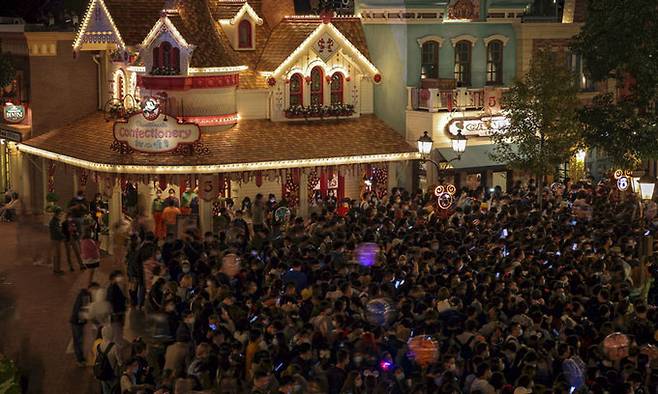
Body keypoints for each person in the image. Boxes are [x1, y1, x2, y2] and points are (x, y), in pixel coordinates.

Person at [70, 283, 97, 366]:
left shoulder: (85, 295)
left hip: (78, 321)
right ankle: (80, 359)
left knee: (78, 340)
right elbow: (82, 310)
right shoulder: (85, 296)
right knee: (78, 341)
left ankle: (80, 358)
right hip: (77, 322)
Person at [49, 208, 66, 275]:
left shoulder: (55, 221)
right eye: (60, 214)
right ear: (57, 214)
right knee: (57, 255)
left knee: (57, 255)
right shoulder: (54, 222)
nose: (61, 215)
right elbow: (57, 231)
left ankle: (57, 269)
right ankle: (56, 270)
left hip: (56, 239)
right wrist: (63, 236)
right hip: (56, 240)